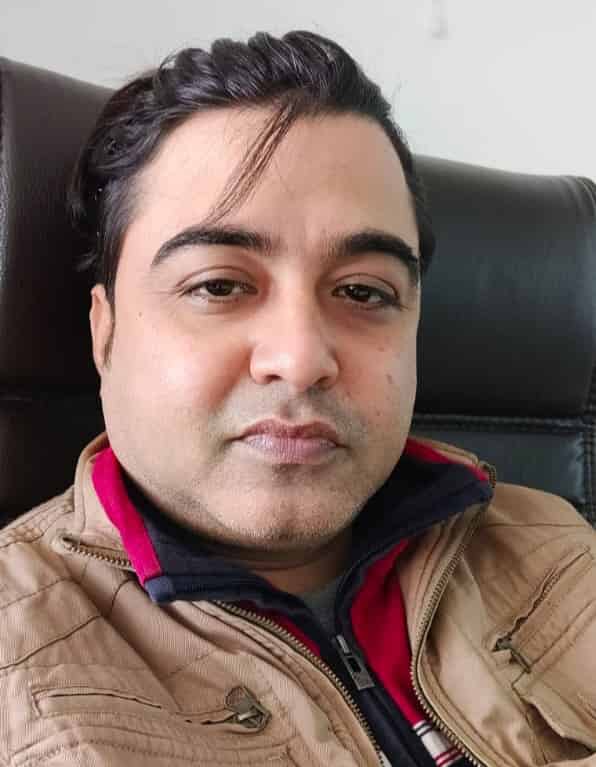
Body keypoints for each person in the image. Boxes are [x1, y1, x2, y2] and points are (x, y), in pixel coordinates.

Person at [0, 30, 595, 767]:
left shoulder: (556, 545)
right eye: (219, 285)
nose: (302, 358)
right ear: (106, 332)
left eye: (363, 292)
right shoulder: (16, 656)